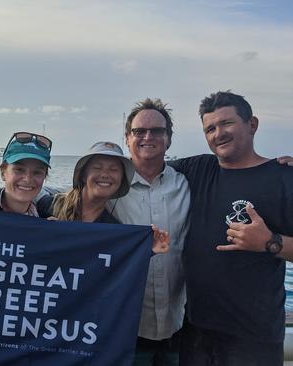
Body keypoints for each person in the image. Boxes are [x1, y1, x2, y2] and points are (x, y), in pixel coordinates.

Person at [170, 91, 293, 365]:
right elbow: (144, 170)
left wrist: (270, 242)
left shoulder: (284, 179)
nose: (218, 134)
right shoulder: (198, 168)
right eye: (210, 129)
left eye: (226, 123)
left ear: (252, 124)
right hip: (196, 333)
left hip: (253, 339)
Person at [107, 99, 190, 365]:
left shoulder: (188, 183)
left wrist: (274, 168)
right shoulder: (109, 189)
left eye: (156, 131)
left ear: (169, 138)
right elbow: (72, 206)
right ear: (127, 137)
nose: (147, 137)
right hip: (126, 328)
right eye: (139, 131)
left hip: (179, 324)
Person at [46, 141, 170, 254]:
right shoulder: (48, 207)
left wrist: (148, 248)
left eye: (114, 169)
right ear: (84, 175)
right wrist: (43, 229)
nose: (105, 174)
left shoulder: (114, 230)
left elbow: (120, 267)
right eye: (97, 168)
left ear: (121, 180)